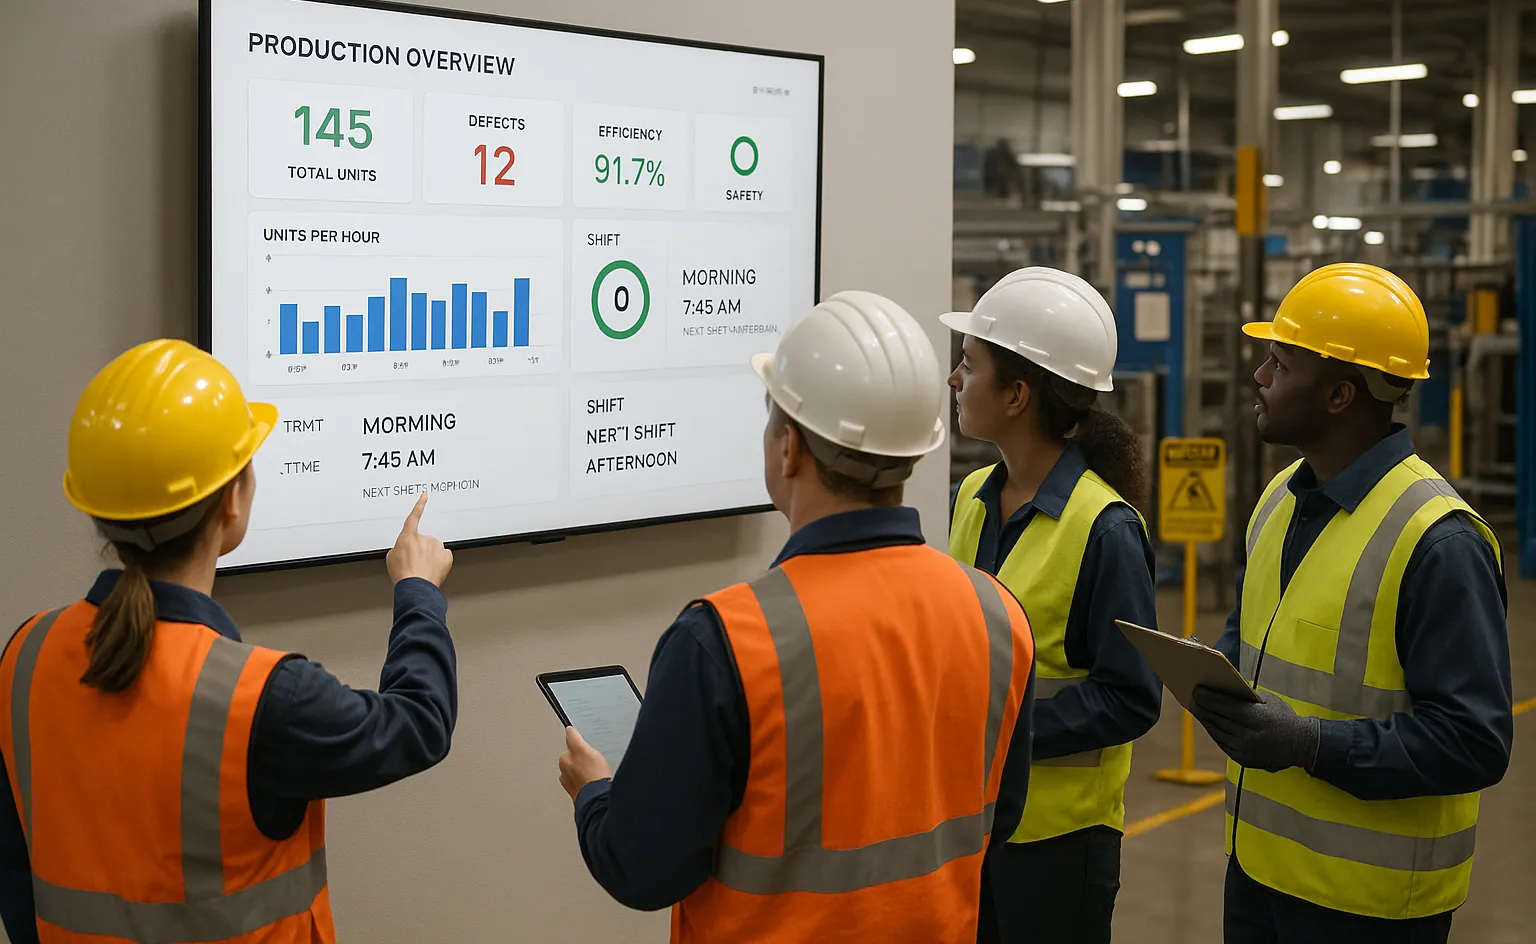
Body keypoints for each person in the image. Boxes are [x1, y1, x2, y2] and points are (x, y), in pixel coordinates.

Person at [555, 291, 1037, 943]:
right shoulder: (998, 615)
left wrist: (594, 794)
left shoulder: (725, 640)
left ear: (789, 450)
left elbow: (642, 868)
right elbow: (999, 818)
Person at [0, 339, 458, 944]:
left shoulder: (24, 656)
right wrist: (418, 592)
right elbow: (419, 724)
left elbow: (18, 878)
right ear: (234, 504)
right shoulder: (263, 699)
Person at [1188, 264, 1512, 944]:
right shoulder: (1280, 499)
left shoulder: (1437, 542)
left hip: (1371, 907)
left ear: (1339, 394)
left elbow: (1473, 741)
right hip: (1258, 873)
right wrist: (1215, 674)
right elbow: (1255, 641)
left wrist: (1310, 744)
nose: (1259, 377)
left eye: (1280, 362)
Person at [941, 267, 1162, 944]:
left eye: (968, 364)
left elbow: (1130, 697)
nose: (953, 378)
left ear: (1016, 394)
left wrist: (999, 727)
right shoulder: (975, 494)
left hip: (1059, 843)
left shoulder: (1106, 528)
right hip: (969, 822)